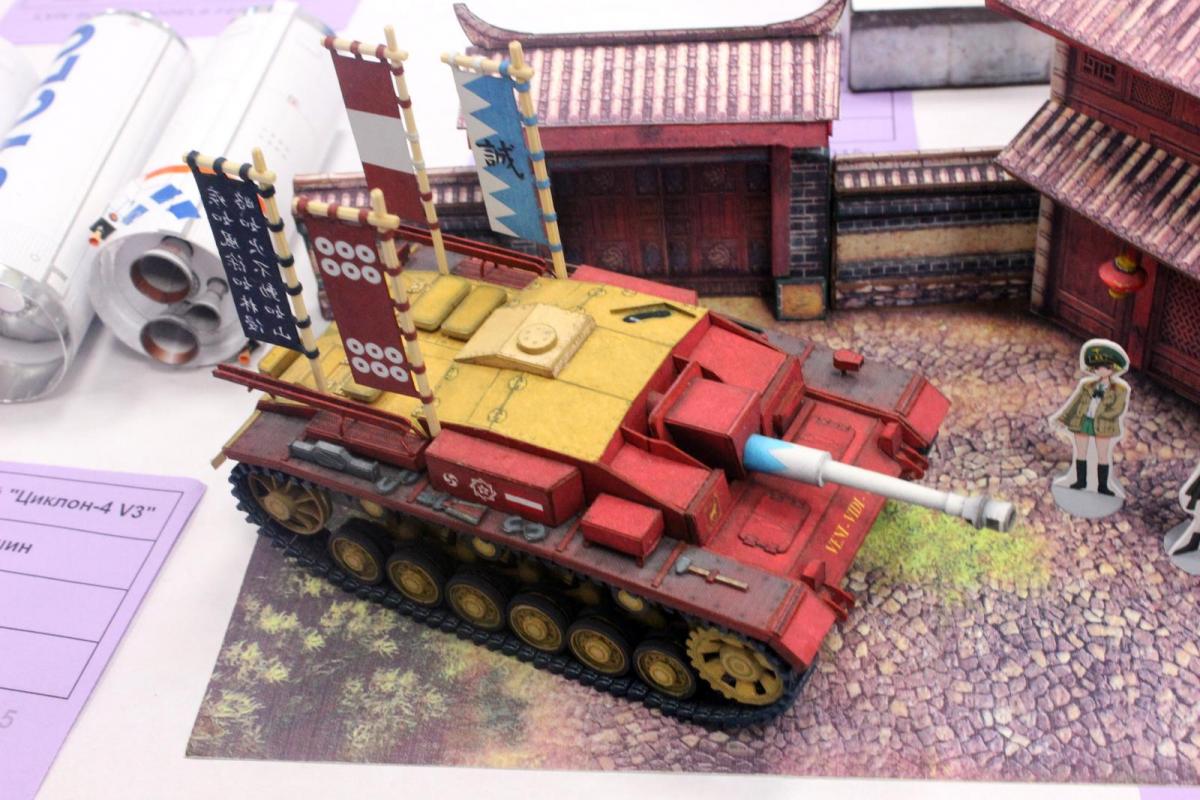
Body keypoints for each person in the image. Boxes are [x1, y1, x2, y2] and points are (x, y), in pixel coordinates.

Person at [1055, 342, 1130, 496]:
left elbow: (1118, 409)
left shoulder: (1120, 389)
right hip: (1082, 422)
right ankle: (1080, 481)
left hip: (1104, 425)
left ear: (1112, 369)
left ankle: (1102, 486)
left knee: (1102, 455)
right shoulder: (1087, 385)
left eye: (1105, 367)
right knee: (1080, 452)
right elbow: (1075, 403)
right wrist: (1063, 418)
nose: (1101, 370)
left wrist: (1101, 415)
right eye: (1097, 367)